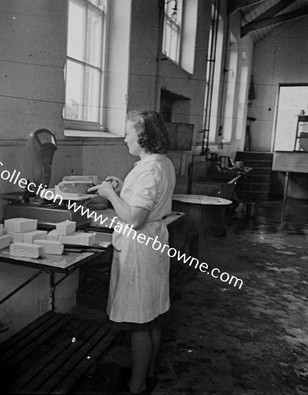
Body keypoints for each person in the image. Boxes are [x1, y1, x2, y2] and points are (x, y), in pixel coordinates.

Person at [88, 109, 175, 394]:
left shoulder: (150, 168)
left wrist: (110, 195)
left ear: (143, 135)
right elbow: (145, 202)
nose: (125, 138)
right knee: (152, 315)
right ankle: (147, 373)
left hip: (141, 247)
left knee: (140, 321)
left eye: (129, 132)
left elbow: (135, 218)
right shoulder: (159, 163)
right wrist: (124, 188)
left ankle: (136, 385)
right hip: (153, 241)